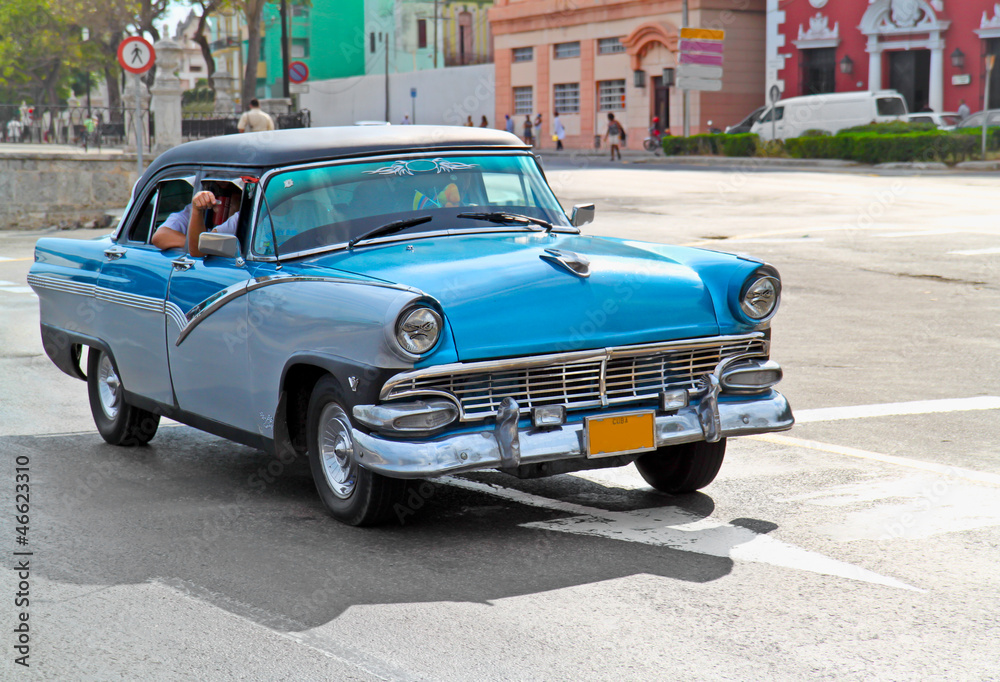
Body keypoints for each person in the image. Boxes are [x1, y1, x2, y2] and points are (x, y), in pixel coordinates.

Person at [151, 190, 240, 257]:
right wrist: (192, 243)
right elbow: (159, 237)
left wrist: (198, 244)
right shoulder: (194, 210)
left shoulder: (239, 218)